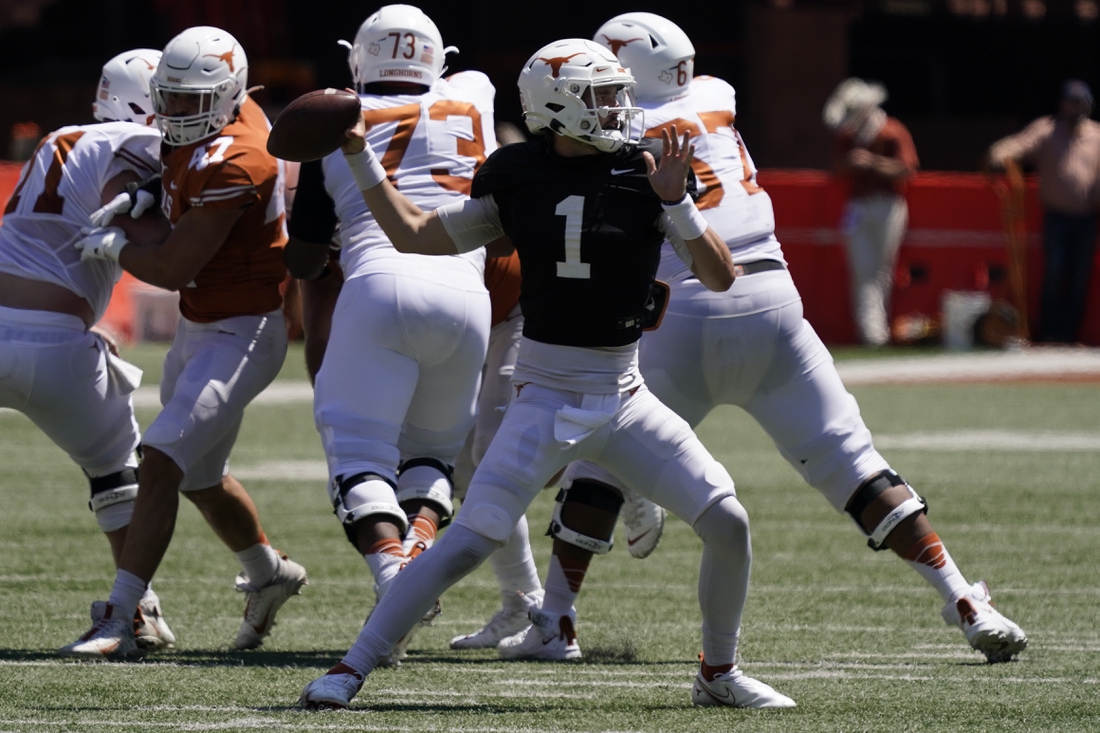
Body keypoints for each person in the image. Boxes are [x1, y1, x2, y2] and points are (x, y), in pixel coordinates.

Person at [300, 37, 796, 711]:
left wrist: (677, 204)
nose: (620, 109)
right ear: (557, 107)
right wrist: (358, 156)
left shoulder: (645, 171)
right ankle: (354, 665)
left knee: (729, 520)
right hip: (545, 391)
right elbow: (415, 232)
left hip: (624, 392)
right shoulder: (516, 175)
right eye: (603, 96)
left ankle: (718, 670)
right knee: (467, 542)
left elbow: (719, 273)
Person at [525, 12, 1021, 666]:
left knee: (599, 463)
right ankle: (963, 596)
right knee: (853, 461)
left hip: (684, 309)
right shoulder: (718, 96)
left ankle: (556, 617)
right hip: (773, 301)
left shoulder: (618, 133)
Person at [61, 26, 307, 658]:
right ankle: (268, 572)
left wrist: (120, 242)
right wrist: (147, 191)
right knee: (200, 476)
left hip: (245, 330)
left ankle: (120, 614)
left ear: (226, 100)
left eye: (188, 104)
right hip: (202, 325)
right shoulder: (222, 112)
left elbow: (170, 267)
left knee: (163, 458)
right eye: (165, 100)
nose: (171, 117)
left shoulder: (240, 155)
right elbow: (180, 172)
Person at [282, 4, 495, 665]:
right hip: (467, 293)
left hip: (378, 282)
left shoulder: (334, 122)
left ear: (359, 59)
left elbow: (307, 256)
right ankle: (415, 564)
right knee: (433, 456)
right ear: (439, 57)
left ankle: (393, 578)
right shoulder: (476, 94)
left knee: (358, 458)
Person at [0, 48, 176, 653]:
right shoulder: (135, 140)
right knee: (118, 471)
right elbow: (153, 239)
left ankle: (139, 611)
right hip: (56, 344)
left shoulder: (57, 140)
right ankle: (135, 612)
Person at [987, 80, 1100, 344]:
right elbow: (1017, 145)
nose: (1077, 107)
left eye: (1082, 103)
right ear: (1063, 104)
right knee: (1054, 274)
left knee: (1080, 278)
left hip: (1088, 217)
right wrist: (998, 154)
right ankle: (1049, 335)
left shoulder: (1097, 135)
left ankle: (1069, 336)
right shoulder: (1046, 130)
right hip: (1057, 217)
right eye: (1072, 102)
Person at [823, 77, 919, 346]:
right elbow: (838, 168)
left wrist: (872, 163)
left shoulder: (891, 131)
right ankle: (872, 333)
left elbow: (906, 169)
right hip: (859, 205)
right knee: (862, 269)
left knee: (880, 270)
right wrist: (852, 164)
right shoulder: (848, 137)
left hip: (887, 205)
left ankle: (876, 331)